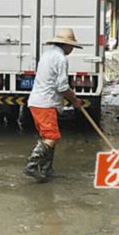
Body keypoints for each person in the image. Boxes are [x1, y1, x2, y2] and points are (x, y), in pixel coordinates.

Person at [24, 28, 83, 181]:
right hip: (46, 103)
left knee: (47, 137)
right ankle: (32, 165)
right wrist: (75, 100)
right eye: (71, 47)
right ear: (66, 45)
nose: (72, 50)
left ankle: (46, 169)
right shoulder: (61, 58)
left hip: (36, 102)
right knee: (52, 136)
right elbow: (62, 87)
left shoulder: (47, 54)